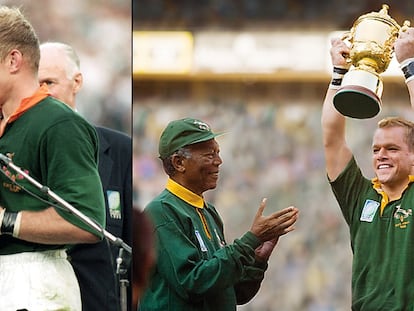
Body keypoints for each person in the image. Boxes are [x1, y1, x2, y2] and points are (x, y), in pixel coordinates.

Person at [0, 6, 105, 311]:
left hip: (35, 278)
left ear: (13, 60)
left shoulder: (58, 123)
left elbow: (87, 221)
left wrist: (6, 220)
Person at [139, 117, 299, 310]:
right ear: (179, 162)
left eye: (217, 153)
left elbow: (230, 292)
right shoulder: (162, 211)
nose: (218, 161)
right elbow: (194, 283)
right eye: (209, 155)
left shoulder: (209, 212)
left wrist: (257, 258)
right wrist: (250, 240)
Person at [321, 28, 414, 309]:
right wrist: (338, 74)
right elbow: (332, 140)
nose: (381, 156)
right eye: (376, 150)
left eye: (392, 149)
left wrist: (409, 67)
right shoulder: (361, 196)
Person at [38, 42, 133, 311]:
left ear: (76, 82)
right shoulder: (16, 151)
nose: (42, 93)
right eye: (35, 85)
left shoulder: (120, 149)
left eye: (49, 82)